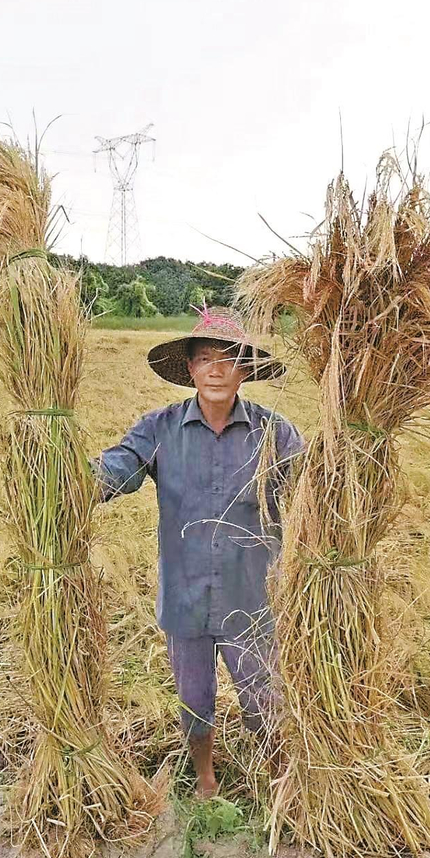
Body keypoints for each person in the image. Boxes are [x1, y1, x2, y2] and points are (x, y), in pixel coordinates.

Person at [92, 306, 303, 798]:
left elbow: (314, 490)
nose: (215, 369)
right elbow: (117, 469)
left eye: (228, 359)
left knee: (263, 698)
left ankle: (278, 780)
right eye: (205, 358)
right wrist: (69, 477)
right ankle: (206, 778)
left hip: (251, 597)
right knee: (194, 699)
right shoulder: (159, 429)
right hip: (185, 596)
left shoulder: (275, 435)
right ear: (189, 369)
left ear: (244, 370)